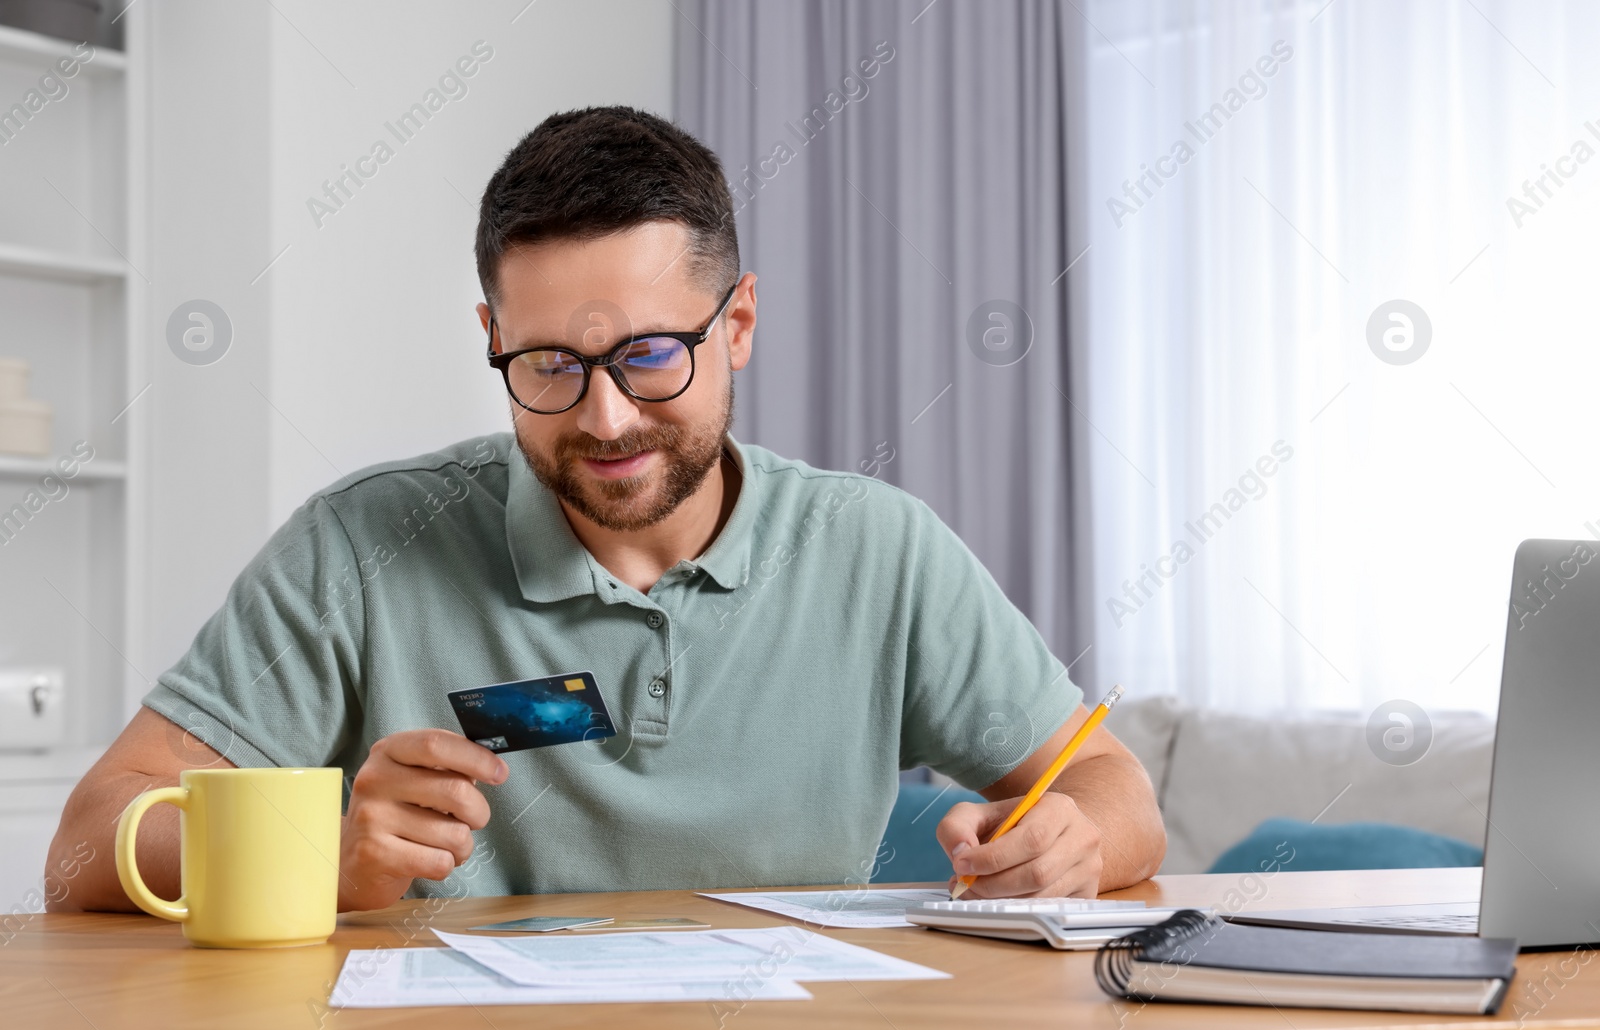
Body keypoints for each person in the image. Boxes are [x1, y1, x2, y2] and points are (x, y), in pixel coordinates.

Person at [47, 106, 1164, 914]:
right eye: (545, 364)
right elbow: (85, 846)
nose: (607, 417)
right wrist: (318, 856)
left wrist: (1072, 841)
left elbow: (1116, 791)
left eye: (649, 354)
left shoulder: (880, 548)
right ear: (491, 335)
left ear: (737, 325)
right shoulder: (361, 542)